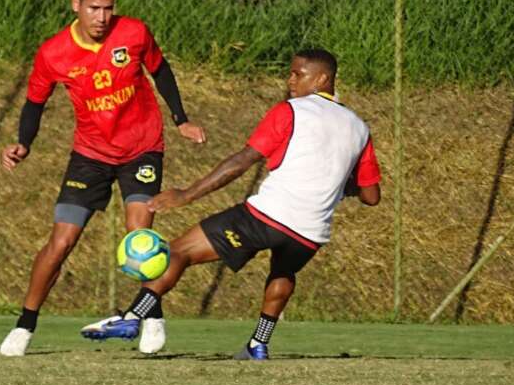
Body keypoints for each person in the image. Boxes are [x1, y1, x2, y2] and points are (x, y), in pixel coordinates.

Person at [81, 48, 381, 359]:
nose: (290, 80)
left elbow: (241, 161)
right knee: (282, 274)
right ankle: (258, 345)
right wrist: (337, 184)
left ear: (322, 78)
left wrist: (186, 194)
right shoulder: (359, 127)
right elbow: (371, 196)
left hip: (266, 217)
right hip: (311, 232)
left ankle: (132, 319)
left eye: (298, 74)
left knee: (179, 252)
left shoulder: (291, 110)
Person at [0, 0, 207, 357]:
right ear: (76, 5)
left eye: (108, 8)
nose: (101, 18)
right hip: (90, 155)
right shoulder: (53, 53)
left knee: (139, 235)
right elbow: (35, 103)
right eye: (93, 8)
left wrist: (181, 118)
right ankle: (25, 324)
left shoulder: (134, 33)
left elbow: (161, 71)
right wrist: (23, 143)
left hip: (143, 147)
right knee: (61, 241)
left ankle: (152, 315)